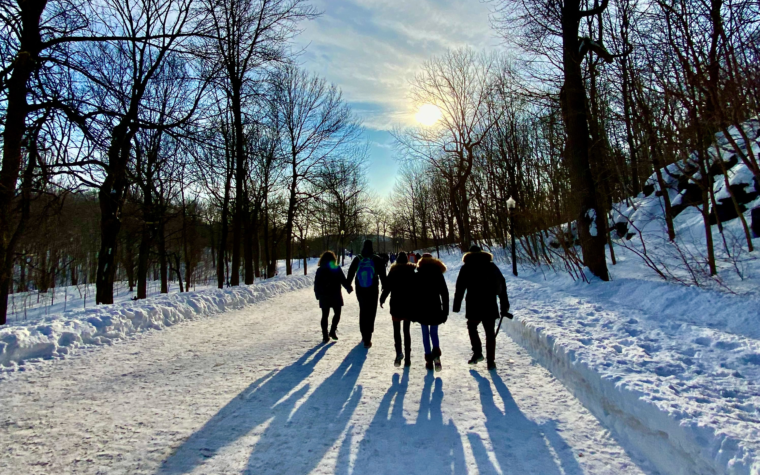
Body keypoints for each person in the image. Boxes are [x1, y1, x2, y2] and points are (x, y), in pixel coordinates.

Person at [453, 246, 510, 370]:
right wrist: (504, 305)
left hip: (473, 303)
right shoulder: (491, 266)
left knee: (472, 326)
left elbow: (460, 287)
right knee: (490, 332)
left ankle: (477, 352)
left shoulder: (466, 267)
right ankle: (491, 361)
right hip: (489, 302)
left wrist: (456, 305)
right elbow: (501, 285)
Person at [347, 240, 388, 348]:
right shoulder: (376, 259)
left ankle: (363, 333)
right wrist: (384, 286)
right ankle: (368, 336)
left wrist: (348, 285)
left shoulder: (358, 258)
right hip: (373, 288)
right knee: (371, 310)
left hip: (360, 288)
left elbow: (351, 272)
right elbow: (383, 274)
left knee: (363, 309)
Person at [380, 251, 416, 367]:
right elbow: (416, 289)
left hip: (396, 305)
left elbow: (387, 287)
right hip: (409, 305)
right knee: (407, 331)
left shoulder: (393, 271)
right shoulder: (411, 271)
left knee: (396, 331)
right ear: (406, 260)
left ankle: (398, 353)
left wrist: (382, 299)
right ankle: (408, 358)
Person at [416, 253, 449, 371]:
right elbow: (444, 293)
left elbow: (414, 295)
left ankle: (428, 359)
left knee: (425, 334)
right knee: (434, 333)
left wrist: (414, 311)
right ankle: (437, 356)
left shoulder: (419, 273)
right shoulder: (438, 273)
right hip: (435, 307)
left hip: (422, 308)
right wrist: (445, 311)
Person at [314, 251, 353, 343]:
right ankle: (332, 331)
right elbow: (342, 279)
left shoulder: (320, 270)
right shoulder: (336, 268)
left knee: (325, 315)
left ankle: (325, 336)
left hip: (324, 295)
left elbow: (316, 283)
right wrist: (348, 288)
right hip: (335, 294)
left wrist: (317, 294)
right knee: (337, 313)